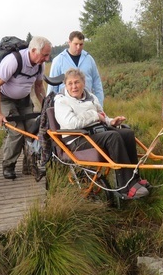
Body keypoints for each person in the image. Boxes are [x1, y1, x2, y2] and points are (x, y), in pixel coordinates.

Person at [54, 68, 149, 200]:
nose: (74, 86)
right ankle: (125, 187)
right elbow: (71, 123)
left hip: (96, 132)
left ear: (83, 83)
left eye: (77, 82)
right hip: (77, 139)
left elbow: (102, 116)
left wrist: (112, 122)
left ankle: (134, 178)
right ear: (66, 85)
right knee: (113, 137)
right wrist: (94, 115)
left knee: (127, 134)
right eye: (70, 83)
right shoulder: (61, 101)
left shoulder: (91, 97)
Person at [0, 36, 52, 179]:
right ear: (34, 50)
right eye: (45, 55)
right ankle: (8, 166)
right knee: (17, 131)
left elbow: (38, 86)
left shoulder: (39, 65)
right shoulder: (13, 61)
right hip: (5, 99)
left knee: (33, 128)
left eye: (48, 55)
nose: (47, 59)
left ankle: (29, 166)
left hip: (24, 99)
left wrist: (45, 107)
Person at [48, 31, 104, 106]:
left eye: (81, 44)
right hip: (66, 105)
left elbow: (97, 83)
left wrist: (99, 104)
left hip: (87, 103)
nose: (78, 47)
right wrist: (51, 107)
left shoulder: (89, 59)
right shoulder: (58, 60)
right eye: (76, 44)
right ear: (69, 42)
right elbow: (52, 87)